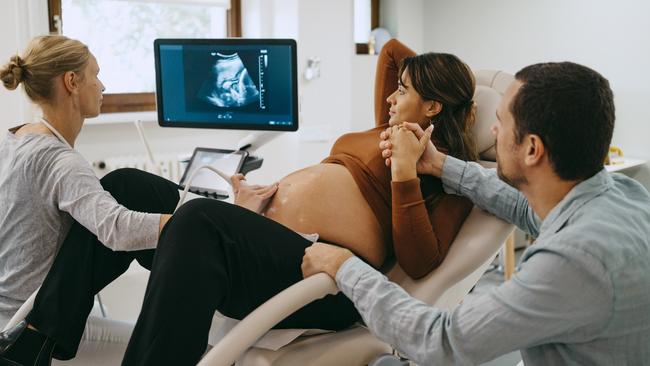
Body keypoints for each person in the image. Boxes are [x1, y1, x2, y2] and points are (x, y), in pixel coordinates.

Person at [120, 39, 478, 365]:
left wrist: (404, 170)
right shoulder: (385, 126)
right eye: (397, 88)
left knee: (198, 220)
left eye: (401, 91)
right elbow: (391, 52)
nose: (390, 99)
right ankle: (61, 336)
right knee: (127, 187)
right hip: (266, 240)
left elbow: (420, 263)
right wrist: (430, 79)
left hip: (320, 272)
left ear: (432, 106)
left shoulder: (448, 176)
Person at [302, 61, 650, 365]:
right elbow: (519, 205)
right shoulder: (625, 196)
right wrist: (439, 165)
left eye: (500, 122)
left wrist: (345, 267)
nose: (492, 131)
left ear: (532, 149)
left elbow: (442, 342)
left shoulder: (574, 261)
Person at [0, 35, 182, 366]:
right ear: (71, 82)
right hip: (27, 328)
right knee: (188, 353)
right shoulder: (58, 161)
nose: (103, 86)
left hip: (7, 313)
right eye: (95, 75)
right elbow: (117, 229)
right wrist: (193, 223)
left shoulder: (13, 140)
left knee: (125, 184)